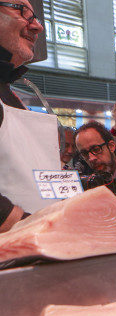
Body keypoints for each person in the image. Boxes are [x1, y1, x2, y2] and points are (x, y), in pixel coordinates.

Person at [0, 0, 60, 229]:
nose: (37, 27)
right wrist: (36, 229)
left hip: (38, 256)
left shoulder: (9, 93)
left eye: (35, 16)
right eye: (21, 10)